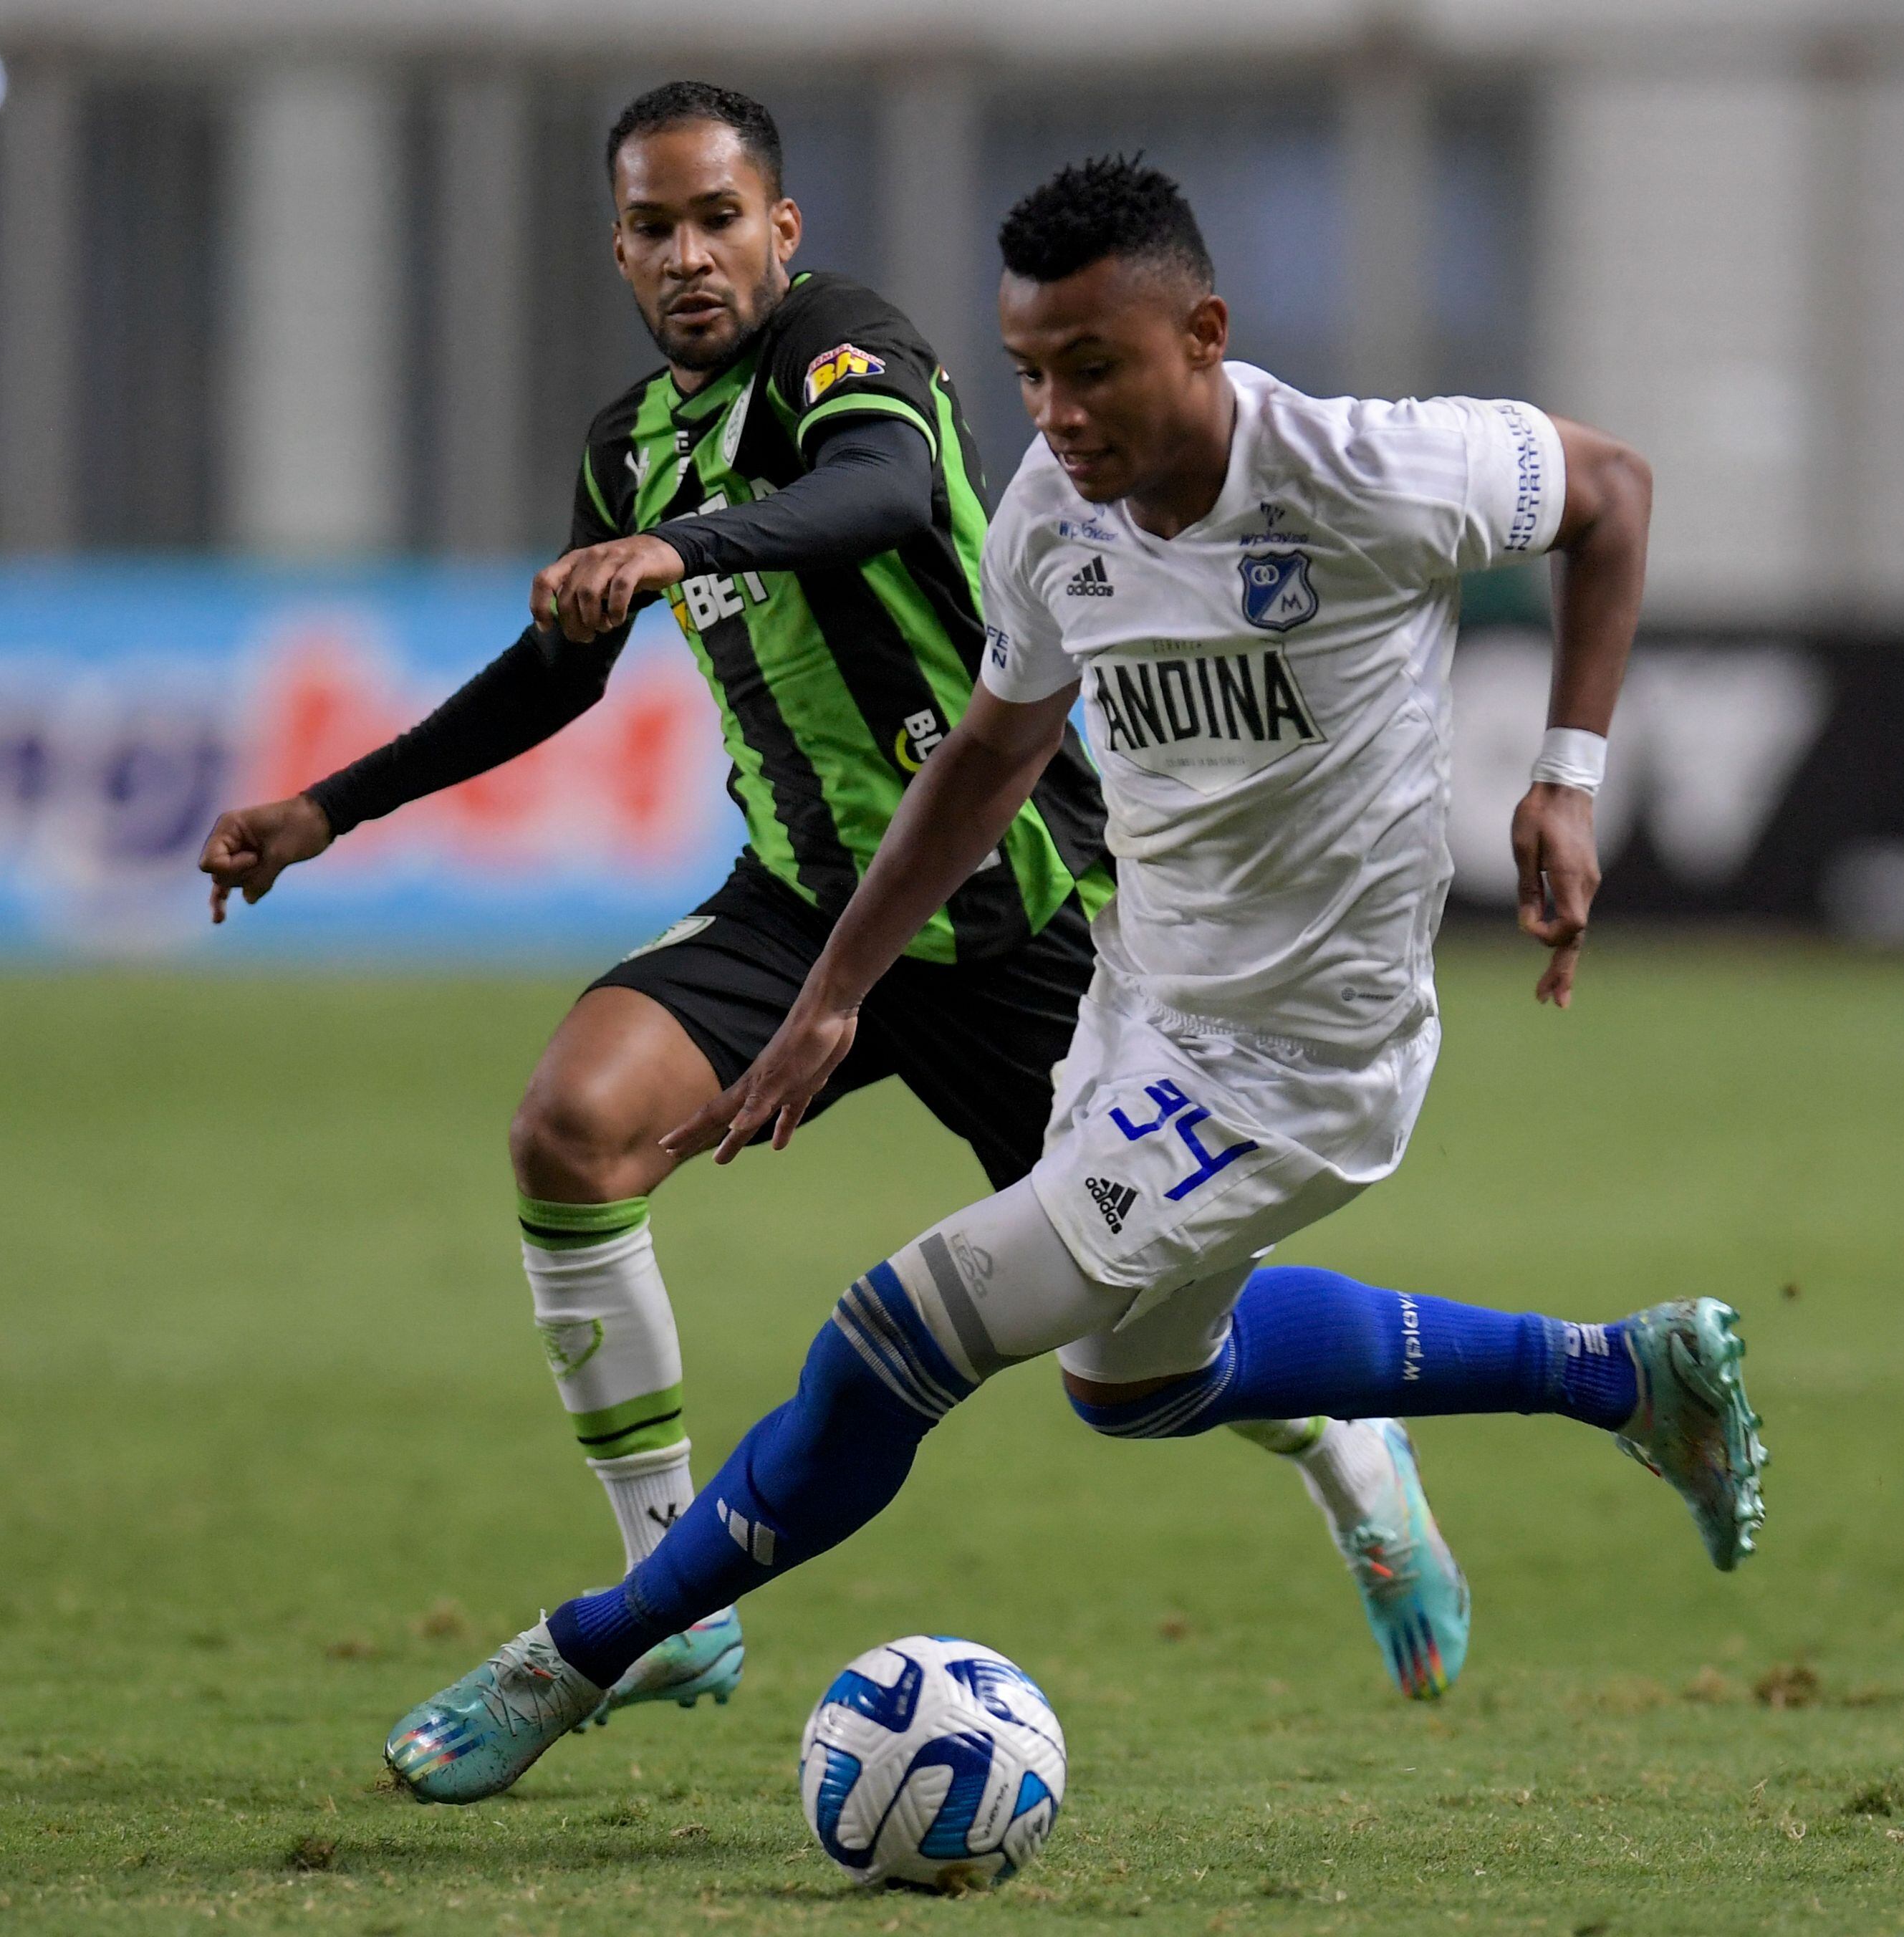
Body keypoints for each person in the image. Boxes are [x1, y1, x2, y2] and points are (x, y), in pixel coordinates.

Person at [384, 155, 1766, 1806]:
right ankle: (1624, 1374)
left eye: (1093, 368)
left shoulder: (1371, 469)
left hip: (1302, 1067)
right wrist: (835, 989)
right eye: (1031, 371)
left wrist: (1567, 771)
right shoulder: (1053, 509)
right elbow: (989, 753)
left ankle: (587, 1645)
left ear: (1204, 334)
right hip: (1142, 1006)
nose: (1057, 412)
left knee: (896, 1332)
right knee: (1135, 1383)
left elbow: (1611, 487)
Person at [200, 91, 1471, 1724]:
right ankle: (669, 1596)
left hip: (1023, 912)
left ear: (780, 231)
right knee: (569, 1129)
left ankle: (1351, 1445)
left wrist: (680, 548)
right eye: (653, 228)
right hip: (804, 903)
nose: (688, 255)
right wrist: (328, 805)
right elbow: (553, 676)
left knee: (1145, 1326)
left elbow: (870, 494)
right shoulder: (626, 447)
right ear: (620, 250)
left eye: (719, 218)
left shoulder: (843, 355)